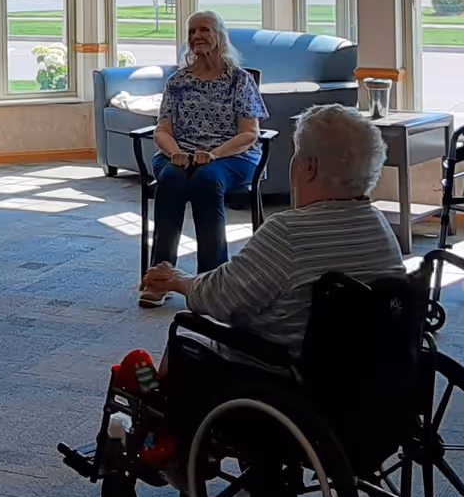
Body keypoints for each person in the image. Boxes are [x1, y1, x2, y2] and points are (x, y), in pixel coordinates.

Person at [139, 104, 405, 350]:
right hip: (363, 371)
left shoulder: (287, 232)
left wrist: (178, 280)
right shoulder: (379, 225)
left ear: (309, 167)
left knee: (180, 346)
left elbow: (223, 300)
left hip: (280, 369)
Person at [136, 10, 268, 306]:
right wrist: (175, 152)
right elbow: (163, 130)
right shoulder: (178, 81)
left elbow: (249, 134)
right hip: (180, 153)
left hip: (231, 155)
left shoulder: (239, 80)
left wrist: (213, 154)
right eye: (192, 32)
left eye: (204, 30)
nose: (197, 36)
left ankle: (212, 281)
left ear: (220, 36)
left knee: (206, 181)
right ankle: (160, 276)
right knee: (170, 179)